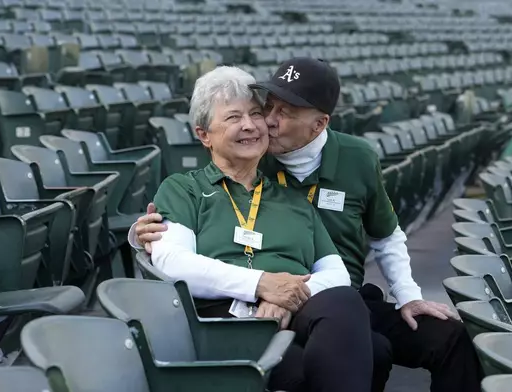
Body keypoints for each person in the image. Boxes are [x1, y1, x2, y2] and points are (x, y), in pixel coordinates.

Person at [131, 58, 484, 392]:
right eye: (268, 106)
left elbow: (385, 236)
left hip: (330, 297)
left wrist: (408, 296)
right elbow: (173, 241)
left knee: (449, 335)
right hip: (248, 305)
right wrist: (140, 233)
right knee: (370, 350)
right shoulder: (247, 156)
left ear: (319, 125)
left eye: (283, 113)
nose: (265, 122)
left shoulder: (354, 160)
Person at [146, 65, 377, 392]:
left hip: (291, 315)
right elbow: (174, 263)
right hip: (223, 322)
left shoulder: (291, 196)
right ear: (203, 135)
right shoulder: (184, 189)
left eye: (256, 114)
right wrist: (260, 285)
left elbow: (336, 273)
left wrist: (284, 299)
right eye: (232, 118)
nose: (250, 125)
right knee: (308, 368)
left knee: (345, 303)